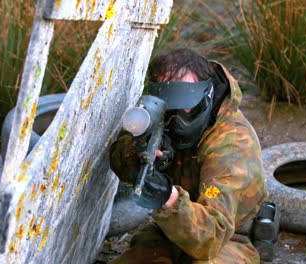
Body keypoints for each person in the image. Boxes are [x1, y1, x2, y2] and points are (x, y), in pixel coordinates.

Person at [108, 48, 268, 263]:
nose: (176, 122)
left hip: (227, 240)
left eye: (184, 110)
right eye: (169, 111)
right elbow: (118, 162)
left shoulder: (232, 145)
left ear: (206, 99)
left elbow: (211, 237)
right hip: (170, 230)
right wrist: (138, 150)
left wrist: (168, 197)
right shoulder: (160, 121)